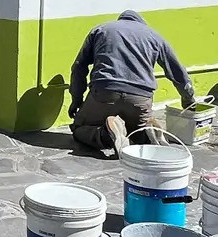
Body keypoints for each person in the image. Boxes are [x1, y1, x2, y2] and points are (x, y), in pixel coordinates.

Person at [68, 10, 197, 157]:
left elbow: (79, 66)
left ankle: (105, 135)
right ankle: (148, 132)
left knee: (79, 128)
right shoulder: (154, 36)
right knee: (135, 133)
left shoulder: (101, 30)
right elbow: (177, 71)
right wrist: (188, 99)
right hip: (140, 98)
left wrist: (76, 99)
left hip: (105, 92)